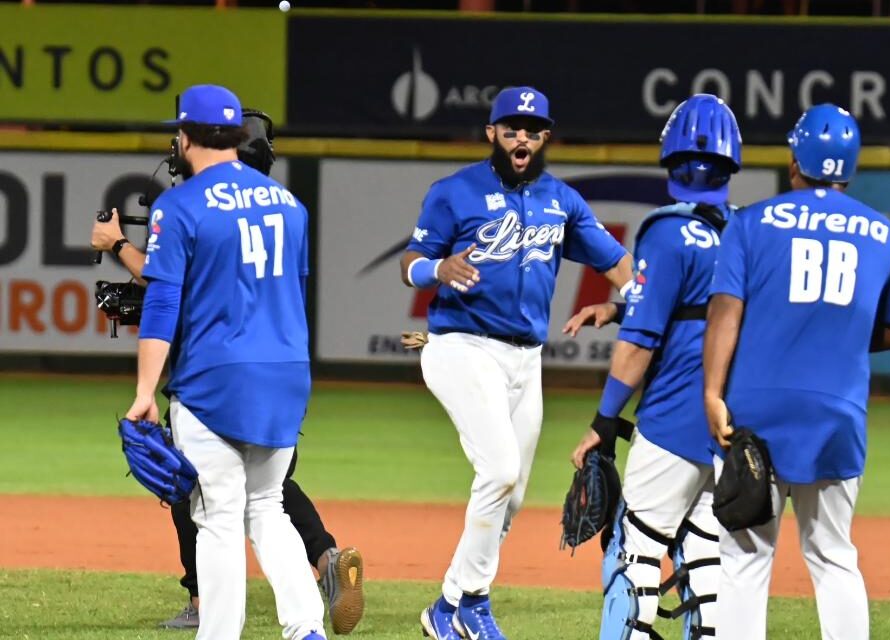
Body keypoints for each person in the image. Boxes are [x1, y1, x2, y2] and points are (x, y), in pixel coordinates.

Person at [92, 109, 365, 636]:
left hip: (216, 376)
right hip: (286, 371)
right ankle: (306, 625)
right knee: (267, 506)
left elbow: (166, 295)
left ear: (190, 136)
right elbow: (288, 292)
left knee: (214, 515)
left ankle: (214, 630)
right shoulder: (290, 205)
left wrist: (146, 390)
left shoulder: (182, 204)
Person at [400, 86, 633, 640]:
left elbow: (624, 268)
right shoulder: (454, 192)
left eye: (532, 128)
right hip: (460, 346)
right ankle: (473, 604)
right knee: (499, 470)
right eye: (511, 127)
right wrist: (436, 271)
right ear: (492, 134)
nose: (521, 137)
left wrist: (620, 304)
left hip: (526, 361)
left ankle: (447, 605)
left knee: (514, 494)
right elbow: (411, 260)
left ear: (545, 136)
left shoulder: (562, 201)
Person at [702, 104, 890, 640]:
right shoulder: (884, 233)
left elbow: (725, 312)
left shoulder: (751, 222)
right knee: (833, 554)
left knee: (746, 556)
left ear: (796, 161)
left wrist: (711, 391)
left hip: (756, 410)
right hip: (836, 410)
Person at [568, 94, 740, 640]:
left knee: (633, 556)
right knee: (707, 563)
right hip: (730, 424)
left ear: (670, 158)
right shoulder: (743, 231)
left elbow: (640, 344)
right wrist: (621, 306)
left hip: (672, 421)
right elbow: (708, 309)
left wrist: (604, 421)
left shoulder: (666, 230)